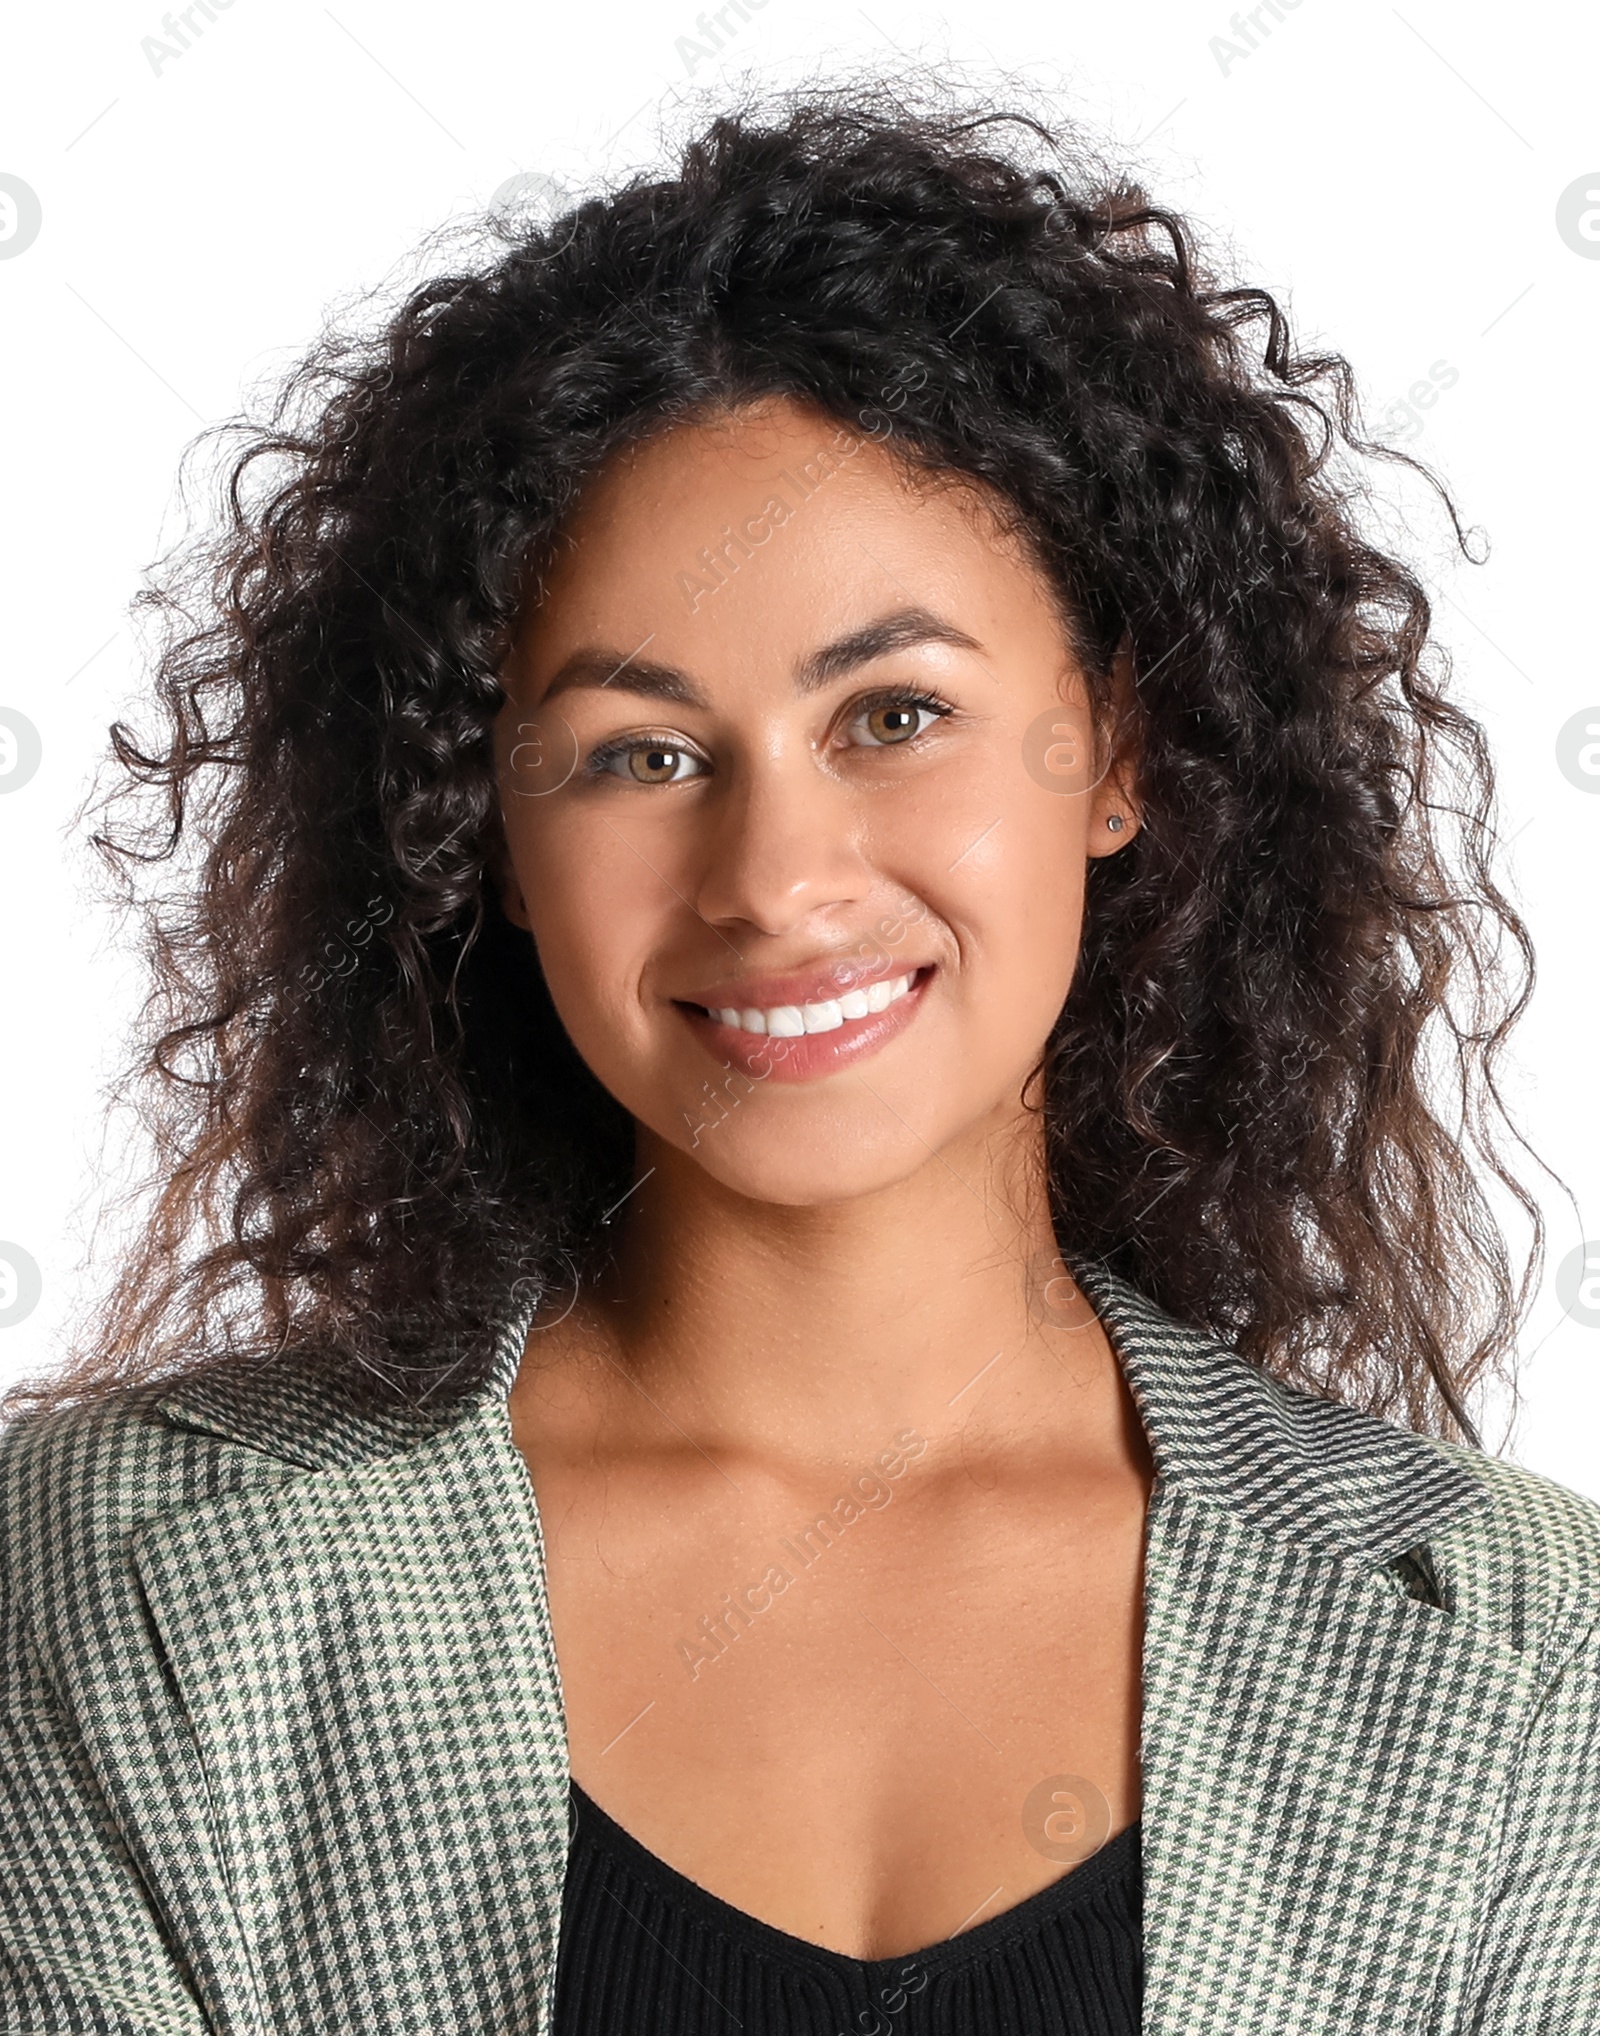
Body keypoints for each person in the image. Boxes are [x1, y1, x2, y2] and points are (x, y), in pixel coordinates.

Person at [3, 81, 1597, 2036]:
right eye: (637, 752)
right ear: (482, 834)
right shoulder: (143, 1584)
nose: (773, 877)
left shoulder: (1504, 1641)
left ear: (1115, 751)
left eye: (893, 712)